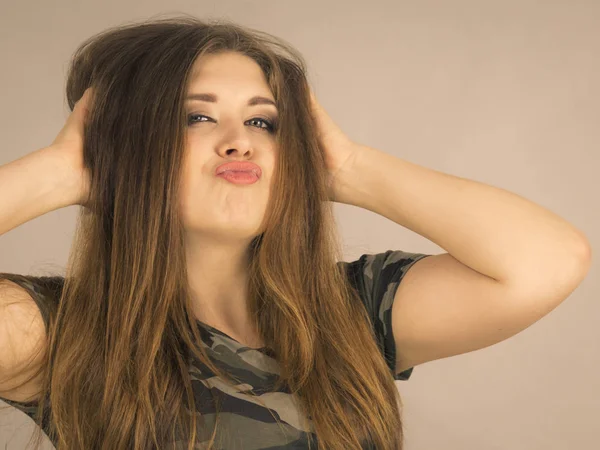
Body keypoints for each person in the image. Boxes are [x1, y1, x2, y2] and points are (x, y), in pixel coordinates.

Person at [0, 15, 590, 450]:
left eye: (264, 120)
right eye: (196, 116)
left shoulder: (351, 310)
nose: (241, 140)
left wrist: (350, 169)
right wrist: (58, 175)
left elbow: (548, 261)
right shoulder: (58, 330)